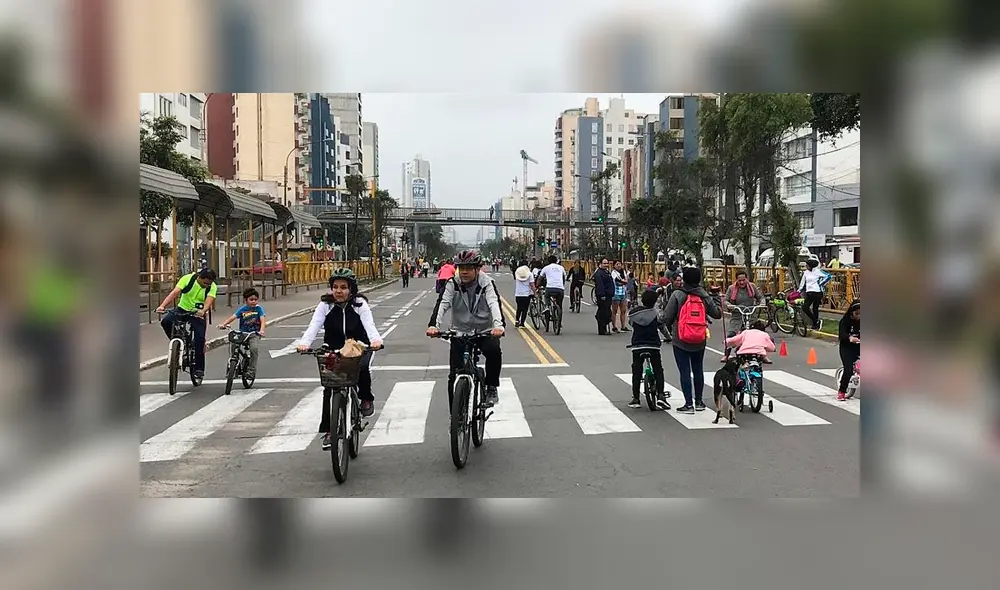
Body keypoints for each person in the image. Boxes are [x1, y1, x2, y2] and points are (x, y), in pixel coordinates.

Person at [294, 269, 384, 450]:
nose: (338, 291)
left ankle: (365, 398)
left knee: (362, 368)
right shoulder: (325, 305)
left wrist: (376, 341)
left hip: (359, 346)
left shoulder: (359, 304)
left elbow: (369, 325)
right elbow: (314, 325)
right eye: (335, 287)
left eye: (343, 287)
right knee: (329, 386)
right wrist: (304, 343)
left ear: (351, 289)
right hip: (333, 348)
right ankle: (330, 430)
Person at [427, 250, 505, 407]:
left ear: (477, 269)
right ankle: (455, 415)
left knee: (494, 351)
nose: (464, 272)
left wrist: (498, 326)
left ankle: (491, 387)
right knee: (453, 375)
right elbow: (443, 303)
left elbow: (494, 303)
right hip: (460, 331)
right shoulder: (452, 283)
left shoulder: (487, 283)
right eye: (461, 268)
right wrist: (434, 325)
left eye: (468, 268)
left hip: (484, 330)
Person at [661, 266, 723, 413]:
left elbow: (667, 317)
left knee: (685, 371)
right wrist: (715, 298)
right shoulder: (703, 295)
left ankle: (688, 404)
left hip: (680, 338)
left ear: (684, 279)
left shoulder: (677, 294)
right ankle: (699, 402)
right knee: (698, 369)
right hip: (699, 339)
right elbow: (717, 314)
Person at [156, 268, 218, 380]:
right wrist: (162, 306)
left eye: (208, 284)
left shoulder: (212, 287)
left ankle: (199, 369)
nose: (206, 286)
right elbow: (174, 293)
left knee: (199, 339)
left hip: (197, 313)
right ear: (199, 277)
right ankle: (179, 341)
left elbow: (209, 300)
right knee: (166, 321)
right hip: (182, 309)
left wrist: (203, 311)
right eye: (205, 283)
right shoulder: (187, 279)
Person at [627, 289, 670, 410]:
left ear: (642, 300)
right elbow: (662, 327)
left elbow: (631, 323)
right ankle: (660, 396)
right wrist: (669, 337)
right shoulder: (656, 314)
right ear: (655, 301)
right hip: (653, 345)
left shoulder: (633, 313)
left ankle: (636, 399)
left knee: (637, 370)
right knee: (658, 369)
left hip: (637, 345)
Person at [216, 287, 267, 378]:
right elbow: (232, 317)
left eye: (255, 299)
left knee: (254, 349)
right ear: (246, 300)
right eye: (251, 299)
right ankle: (234, 363)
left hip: (254, 334)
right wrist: (223, 324)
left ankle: (251, 371)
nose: (253, 302)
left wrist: (261, 330)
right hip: (243, 333)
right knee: (234, 344)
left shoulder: (259, 309)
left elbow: (262, 320)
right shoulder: (242, 309)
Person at [721, 270, 765, 362]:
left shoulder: (752, 287)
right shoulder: (731, 288)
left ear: (747, 279)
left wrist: (762, 303)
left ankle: (762, 355)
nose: (742, 282)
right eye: (739, 280)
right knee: (731, 334)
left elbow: (760, 297)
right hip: (737, 315)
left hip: (751, 315)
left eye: (743, 280)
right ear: (736, 280)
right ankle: (726, 354)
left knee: (759, 334)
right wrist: (730, 305)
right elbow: (725, 300)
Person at [837, 300, 860, 401]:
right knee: (848, 370)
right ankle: (842, 391)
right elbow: (842, 335)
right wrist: (850, 338)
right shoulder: (844, 321)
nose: (859, 316)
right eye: (856, 313)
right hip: (846, 348)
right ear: (851, 312)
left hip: (859, 346)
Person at [798, 259, 826, 330]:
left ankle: (815, 324)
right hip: (809, 292)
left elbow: (828, 276)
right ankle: (816, 321)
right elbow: (802, 282)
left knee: (815, 308)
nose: (806, 266)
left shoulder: (818, 271)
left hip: (817, 292)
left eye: (807, 265)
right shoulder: (806, 273)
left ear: (810, 266)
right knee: (805, 307)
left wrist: (821, 283)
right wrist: (799, 290)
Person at [593, 258, 615, 335]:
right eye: (604, 263)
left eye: (607, 263)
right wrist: (602, 295)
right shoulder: (599, 273)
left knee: (606, 312)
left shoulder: (606, 272)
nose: (606, 265)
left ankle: (603, 326)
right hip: (603, 296)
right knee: (604, 312)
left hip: (608, 295)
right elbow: (600, 285)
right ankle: (602, 330)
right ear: (600, 264)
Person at [513, 260, 534, 327]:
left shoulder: (517, 273)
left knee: (519, 308)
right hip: (526, 294)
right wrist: (535, 292)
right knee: (525, 309)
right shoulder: (530, 274)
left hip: (518, 294)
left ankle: (517, 320)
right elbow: (532, 285)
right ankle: (522, 322)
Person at [611, 261, 629, 332]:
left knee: (623, 310)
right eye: (617, 264)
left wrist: (623, 282)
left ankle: (623, 326)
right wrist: (623, 282)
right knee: (615, 311)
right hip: (616, 293)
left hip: (623, 293)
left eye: (620, 264)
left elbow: (626, 280)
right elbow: (617, 282)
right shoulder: (613, 273)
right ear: (614, 265)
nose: (619, 265)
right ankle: (614, 326)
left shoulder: (623, 272)